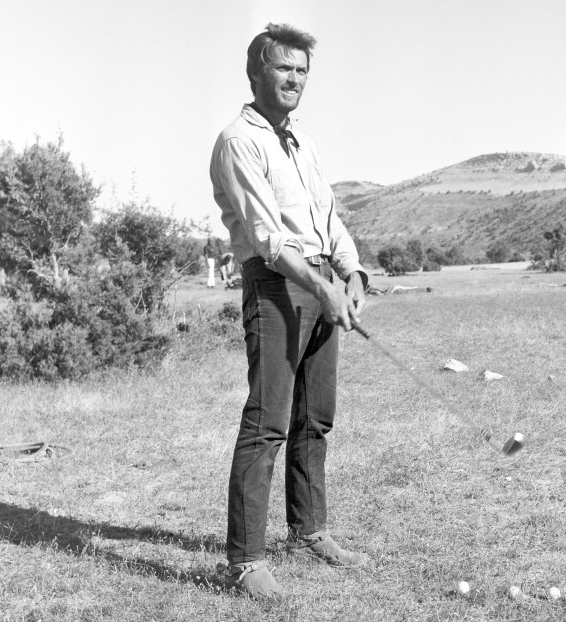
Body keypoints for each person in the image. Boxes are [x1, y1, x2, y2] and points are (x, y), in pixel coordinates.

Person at [209, 23, 369, 599]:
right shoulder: (239, 140)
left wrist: (350, 274)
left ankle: (309, 531)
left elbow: (328, 217)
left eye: (303, 71)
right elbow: (268, 239)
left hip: (322, 278)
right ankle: (245, 563)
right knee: (267, 422)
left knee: (315, 417)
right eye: (284, 68)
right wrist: (319, 286)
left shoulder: (303, 141)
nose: (296, 79)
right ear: (256, 72)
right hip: (277, 284)